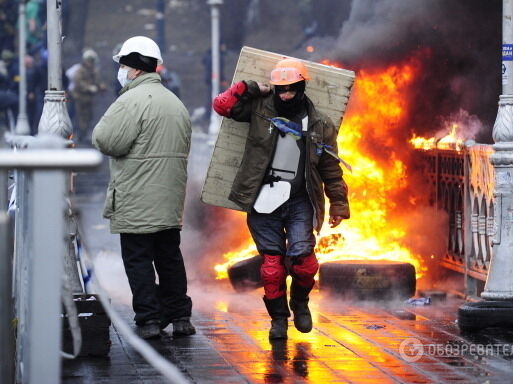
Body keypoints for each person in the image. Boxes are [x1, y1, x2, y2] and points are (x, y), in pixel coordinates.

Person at [212, 58, 350, 339]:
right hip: (263, 199)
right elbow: (223, 106)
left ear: (302, 87)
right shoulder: (259, 110)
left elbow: (330, 168)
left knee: (304, 263)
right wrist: (249, 87)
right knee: (272, 268)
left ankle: (300, 303)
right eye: (281, 89)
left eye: (291, 89)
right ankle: (278, 320)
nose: (286, 95)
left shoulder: (319, 124)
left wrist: (338, 203)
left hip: (301, 200)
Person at [92, 35, 194, 339]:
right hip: (168, 199)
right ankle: (181, 317)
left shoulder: (130, 101)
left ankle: (149, 319)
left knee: (138, 260)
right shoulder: (175, 103)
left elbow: (106, 140)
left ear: (135, 68)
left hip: (137, 198)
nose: (121, 70)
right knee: (169, 258)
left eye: (124, 64)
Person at [71, 49, 105, 142]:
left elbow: (98, 81)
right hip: (80, 97)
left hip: (89, 98)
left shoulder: (94, 70)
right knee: (80, 117)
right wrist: (88, 87)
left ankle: (85, 134)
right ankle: (80, 135)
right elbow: (78, 82)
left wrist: (101, 86)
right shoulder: (80, 70)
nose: (91, 63)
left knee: (89, 117)